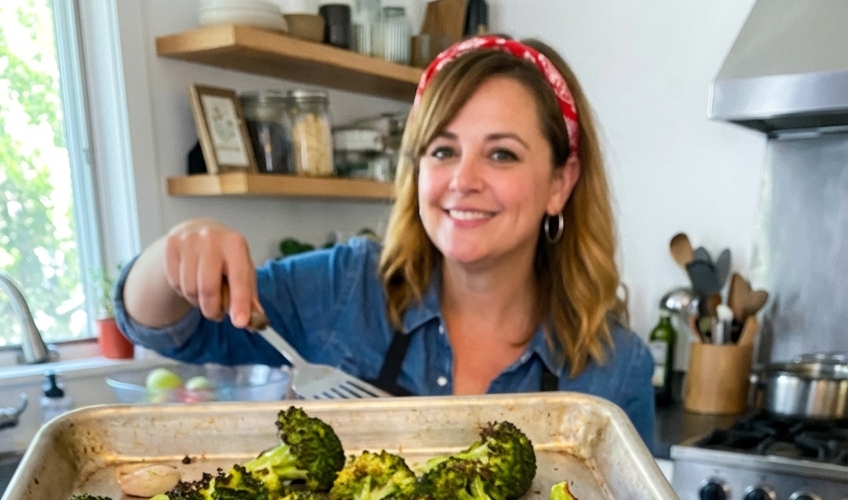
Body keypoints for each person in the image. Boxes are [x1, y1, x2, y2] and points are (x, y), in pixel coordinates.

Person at [118, 37, 654, 440]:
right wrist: (176, 253)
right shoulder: (346, 287)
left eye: (501, 153)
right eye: (442, 151)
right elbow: (167, 330)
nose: (463, 180)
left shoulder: (617, 369)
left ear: (559, 183)